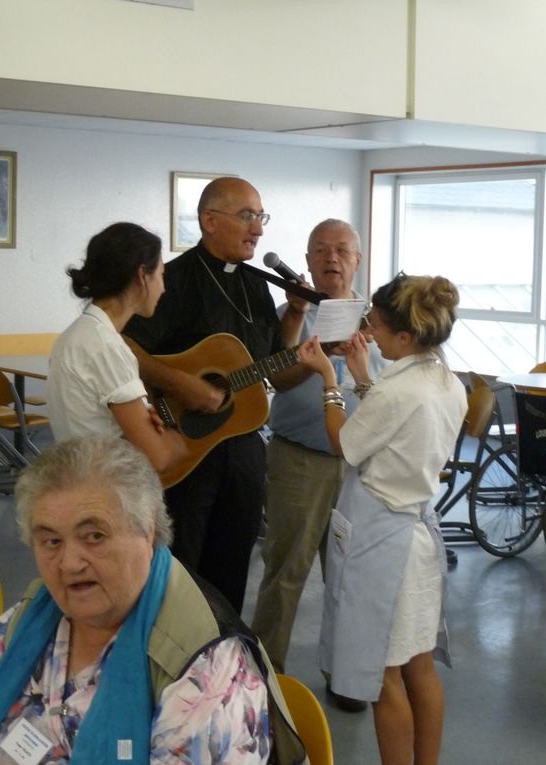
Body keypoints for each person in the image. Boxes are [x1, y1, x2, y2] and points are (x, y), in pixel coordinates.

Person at [0, 436, 305, 765]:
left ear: (147, 530)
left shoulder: (207, 668)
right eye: (51, 541)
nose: (70, 563)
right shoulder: (29, 616)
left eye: (95, 536)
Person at [296, 273, 467, 765]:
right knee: (419, 669)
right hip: (415, 536)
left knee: (384, 675)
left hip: (383, 546)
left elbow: (346, 446)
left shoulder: (399, 391)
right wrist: (363, 378)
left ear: (406, 338)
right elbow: (398, 430)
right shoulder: (446, 383)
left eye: (377, 325)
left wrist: (331, 382)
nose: (368, 329)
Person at [123, 177, 308, 613]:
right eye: (247, 216)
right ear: (209, 220)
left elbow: (278, 371)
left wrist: (297, 314)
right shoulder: (174, 280)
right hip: (186, 448)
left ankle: (222, 660)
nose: (258, 229)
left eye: (260, 217)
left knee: (232, 567)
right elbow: (123, 344)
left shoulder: (257, 285)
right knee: (179, 564)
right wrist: (179, 382)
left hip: (243, 450)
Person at [251, 220, 385, 712]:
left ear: (357, 260)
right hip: (299, 458)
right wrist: (307, 345)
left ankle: (345, 675)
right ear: (307, 262)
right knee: (285, 571)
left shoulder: (379, 319)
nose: (332, 259)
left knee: (349, 577)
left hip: (361, 468)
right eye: (321, 251)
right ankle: (266, 679)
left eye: (342, 250)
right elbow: (278, 382)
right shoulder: (294, 314)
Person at [47, 222, 185, 474]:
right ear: (142, 275)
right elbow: (158, 457)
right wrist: (175, 440)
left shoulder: (79, 334)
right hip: (104, 488)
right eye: (161, 275)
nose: (163, 288)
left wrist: (145, 427)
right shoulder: (106, 347)